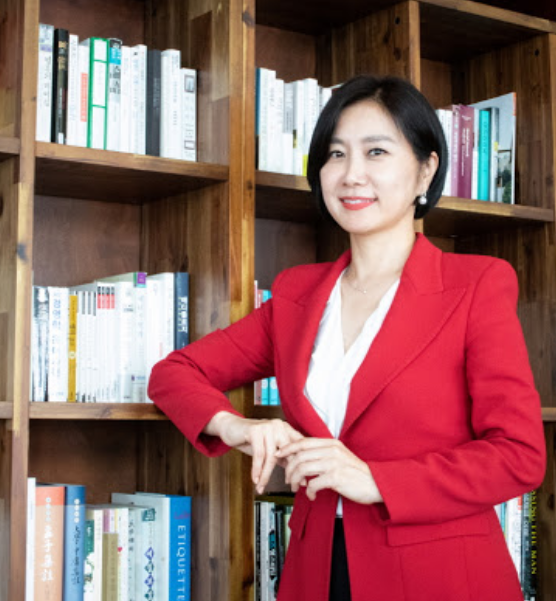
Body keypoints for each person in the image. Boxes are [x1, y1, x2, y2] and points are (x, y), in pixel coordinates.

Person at [148, 75, 546, 601]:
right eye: (336, 154)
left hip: (439, 575)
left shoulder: (476, 285)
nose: (352, 174)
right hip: (315, 571)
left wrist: (376, 479)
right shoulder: (297, 294)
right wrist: (238, 428)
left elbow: (518, 455)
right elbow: (174, 374)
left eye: (376, 151)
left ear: (426, 169)